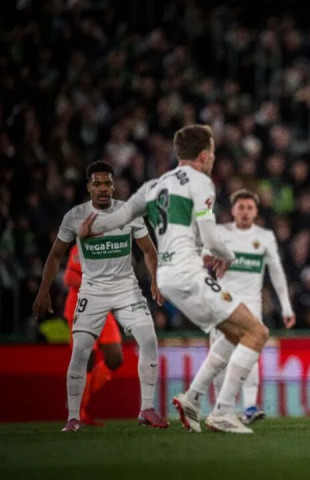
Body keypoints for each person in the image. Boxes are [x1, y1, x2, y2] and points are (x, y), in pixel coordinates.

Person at [80, 124, 269, 434]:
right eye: (212, 153)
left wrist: (93, 227)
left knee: (234, 334)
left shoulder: (154, 186)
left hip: (167, 276)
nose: (213, 159)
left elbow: (119, 218)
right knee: (257, 332)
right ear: (204, 156)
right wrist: (228, 255)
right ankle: (222, 412)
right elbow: (211, 236)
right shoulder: (200, 181)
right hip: (188, 273)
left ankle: (193, 398)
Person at [32, 161, 168, 432]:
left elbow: (149, 249)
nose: (103, 188)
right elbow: (56, 254)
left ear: (113, 186)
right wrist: (43, 291)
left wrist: (155, 279)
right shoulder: (75, 217)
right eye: (97, 184)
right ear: (89, 187)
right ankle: (73, 417)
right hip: (92, 292)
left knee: (149, 339)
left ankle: (146, 409)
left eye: (107, 183)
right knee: (81, 351)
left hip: (125, 289)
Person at [202, 188, 295, 425]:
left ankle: (250, 406)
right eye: (241, 207)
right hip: (223, 304)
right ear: (233, 211)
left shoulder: (265, 237)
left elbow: (276, 271)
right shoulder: (220, 233)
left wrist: (286, 306)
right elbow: (203, 261)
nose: (245, 212)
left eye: (249, 208)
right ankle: (222, 409)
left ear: (256, 212)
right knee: (220, 360)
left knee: (250, 356)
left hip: (251, 305)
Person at [63, 244, 124, 426]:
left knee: (115, 358)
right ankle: (78, 409)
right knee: (87, 360)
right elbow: (69, 277)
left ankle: (78, 395)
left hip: (103, 309)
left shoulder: (114, 247)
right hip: (81, 308)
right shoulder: (83, 247)